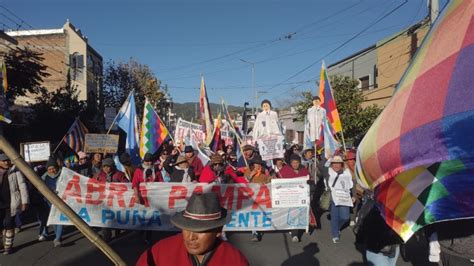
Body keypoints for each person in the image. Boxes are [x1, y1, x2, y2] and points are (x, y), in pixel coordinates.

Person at [136, 192, 249, 266]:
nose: (191, 237)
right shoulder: (159, 251)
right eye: (186, 228)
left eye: (201, 230)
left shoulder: (234, 260)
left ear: (218, 231)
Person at [0, 152, 29, 254]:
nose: (6, 162)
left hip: (11, 203)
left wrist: (25, 201)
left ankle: (8, 246)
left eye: (8, 160)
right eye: (4, 161)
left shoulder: (15, 171)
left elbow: (22, 186)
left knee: (9, 224)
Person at [279, 154, 310, 243]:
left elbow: (308, 179)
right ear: (290, 163)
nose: (295, 165)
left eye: (297, 163)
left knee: (297, 214)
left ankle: (295, 232)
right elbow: (278, 177)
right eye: (293, 163)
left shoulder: (304, 170)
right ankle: (294, 232)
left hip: (301, 197)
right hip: (289, 196)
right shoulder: (285, 170)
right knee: (293, 213)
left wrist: (309, 182)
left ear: (299, 163)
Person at [244, 156, 271, 242]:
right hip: (251, 196)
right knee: (253, 213)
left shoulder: (264, 172)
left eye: (259, 164)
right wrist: (251, 174)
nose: (257, 165)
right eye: (256, 164)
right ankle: (254, 232)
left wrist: (265, 183)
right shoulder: (248, 171)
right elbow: (245, 182)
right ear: (253, 164)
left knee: (260, 213)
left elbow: (269, 181)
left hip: (261, 196)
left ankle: (259, 228)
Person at [327, 155, 353, 243]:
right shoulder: (328, 172)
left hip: (344, 198)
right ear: (331, 164)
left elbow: (351, 184)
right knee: (334, 216)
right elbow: (321, 165)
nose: (336, 165)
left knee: (345, 217)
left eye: (338, 163)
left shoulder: (346, 172)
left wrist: (353, 196)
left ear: (341, 164)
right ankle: (335, 234)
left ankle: (337, 227)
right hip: (333, 198)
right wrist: (329, 157)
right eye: (334, 163)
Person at [40, 158, 64, 247]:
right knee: (53, 219)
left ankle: (58, 238)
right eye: (49, 169)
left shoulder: (63, 174)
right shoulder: (44, 177)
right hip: (49, 201)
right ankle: (54, 233)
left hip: (61, 200)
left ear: (56, 167)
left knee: (60, 218)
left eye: (53, 168)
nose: (52, 171)